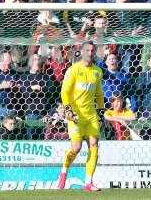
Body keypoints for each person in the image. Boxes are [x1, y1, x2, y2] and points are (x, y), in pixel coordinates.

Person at [57, 41, 104, 191]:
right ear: (81, 52)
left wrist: (101, 113)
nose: (90, 53)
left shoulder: (97, 71)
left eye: (92, 50)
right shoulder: (73, 70)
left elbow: (99, 94)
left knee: (94, 144)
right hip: (76, 116)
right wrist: (69, 110)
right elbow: (65, 93)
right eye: (87, 50)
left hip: (91, 116)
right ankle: (64, 171)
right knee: (76, 148)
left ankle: (88, 182)